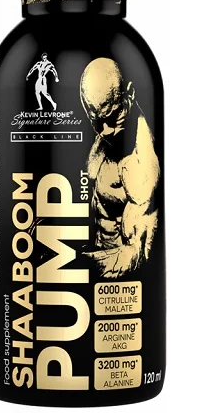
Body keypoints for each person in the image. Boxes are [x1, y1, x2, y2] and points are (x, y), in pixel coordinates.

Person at [80, 58, 160, 278]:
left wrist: (78, 264)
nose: (105, 130)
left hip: (115, 281)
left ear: (130, 94)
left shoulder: (139, 164)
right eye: (97, 121)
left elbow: (135, 254)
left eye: (113, 115)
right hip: (94, 261)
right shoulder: (108, 136)